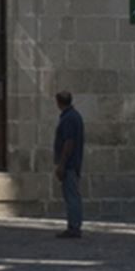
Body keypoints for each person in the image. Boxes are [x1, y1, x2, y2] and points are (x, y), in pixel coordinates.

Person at [53, 90, 85, 238]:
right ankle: (75, 225)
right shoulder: (74, 116)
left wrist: (61, 164)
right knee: (73, 194)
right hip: (74, 162)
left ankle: (74, 227)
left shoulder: (69, 119)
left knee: (71, 195)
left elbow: (69, 142)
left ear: (59, 102)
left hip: (70, 164)